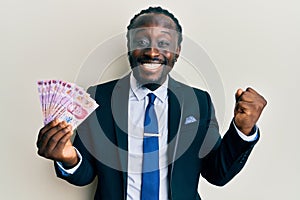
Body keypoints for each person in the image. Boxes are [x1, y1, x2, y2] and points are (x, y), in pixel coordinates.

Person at [37, 6, 267, 200]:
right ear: (129, 45)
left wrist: (243, 131)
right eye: (142, 41)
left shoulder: (199, 102)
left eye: (164, 43)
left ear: (177, 50)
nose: (152, 51)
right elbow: (85, 174)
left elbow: (217, 174)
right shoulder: (100, 98)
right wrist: (68, 157)